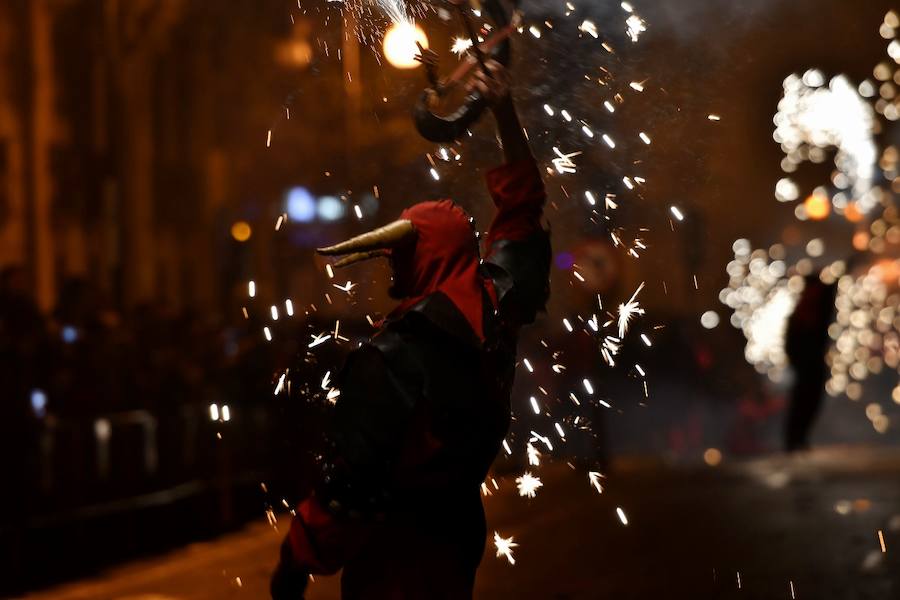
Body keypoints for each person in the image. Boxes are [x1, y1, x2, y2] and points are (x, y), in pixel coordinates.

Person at [270, 60, 551, 599]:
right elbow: (522, 206)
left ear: (424, 257)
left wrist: (296, 560)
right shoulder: (495, 307)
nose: (392, 268)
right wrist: (504, 109)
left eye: (402, 253)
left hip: (396, 553)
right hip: (458, 531)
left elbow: (351, 485)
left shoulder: (395, 353)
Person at [784, 275, 837, 452]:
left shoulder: (812, 311)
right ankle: (795, 439)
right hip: (806, 366)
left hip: (811, 365)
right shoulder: (802, 314)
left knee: (808, 402)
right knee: (804, 402)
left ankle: (797, 439)